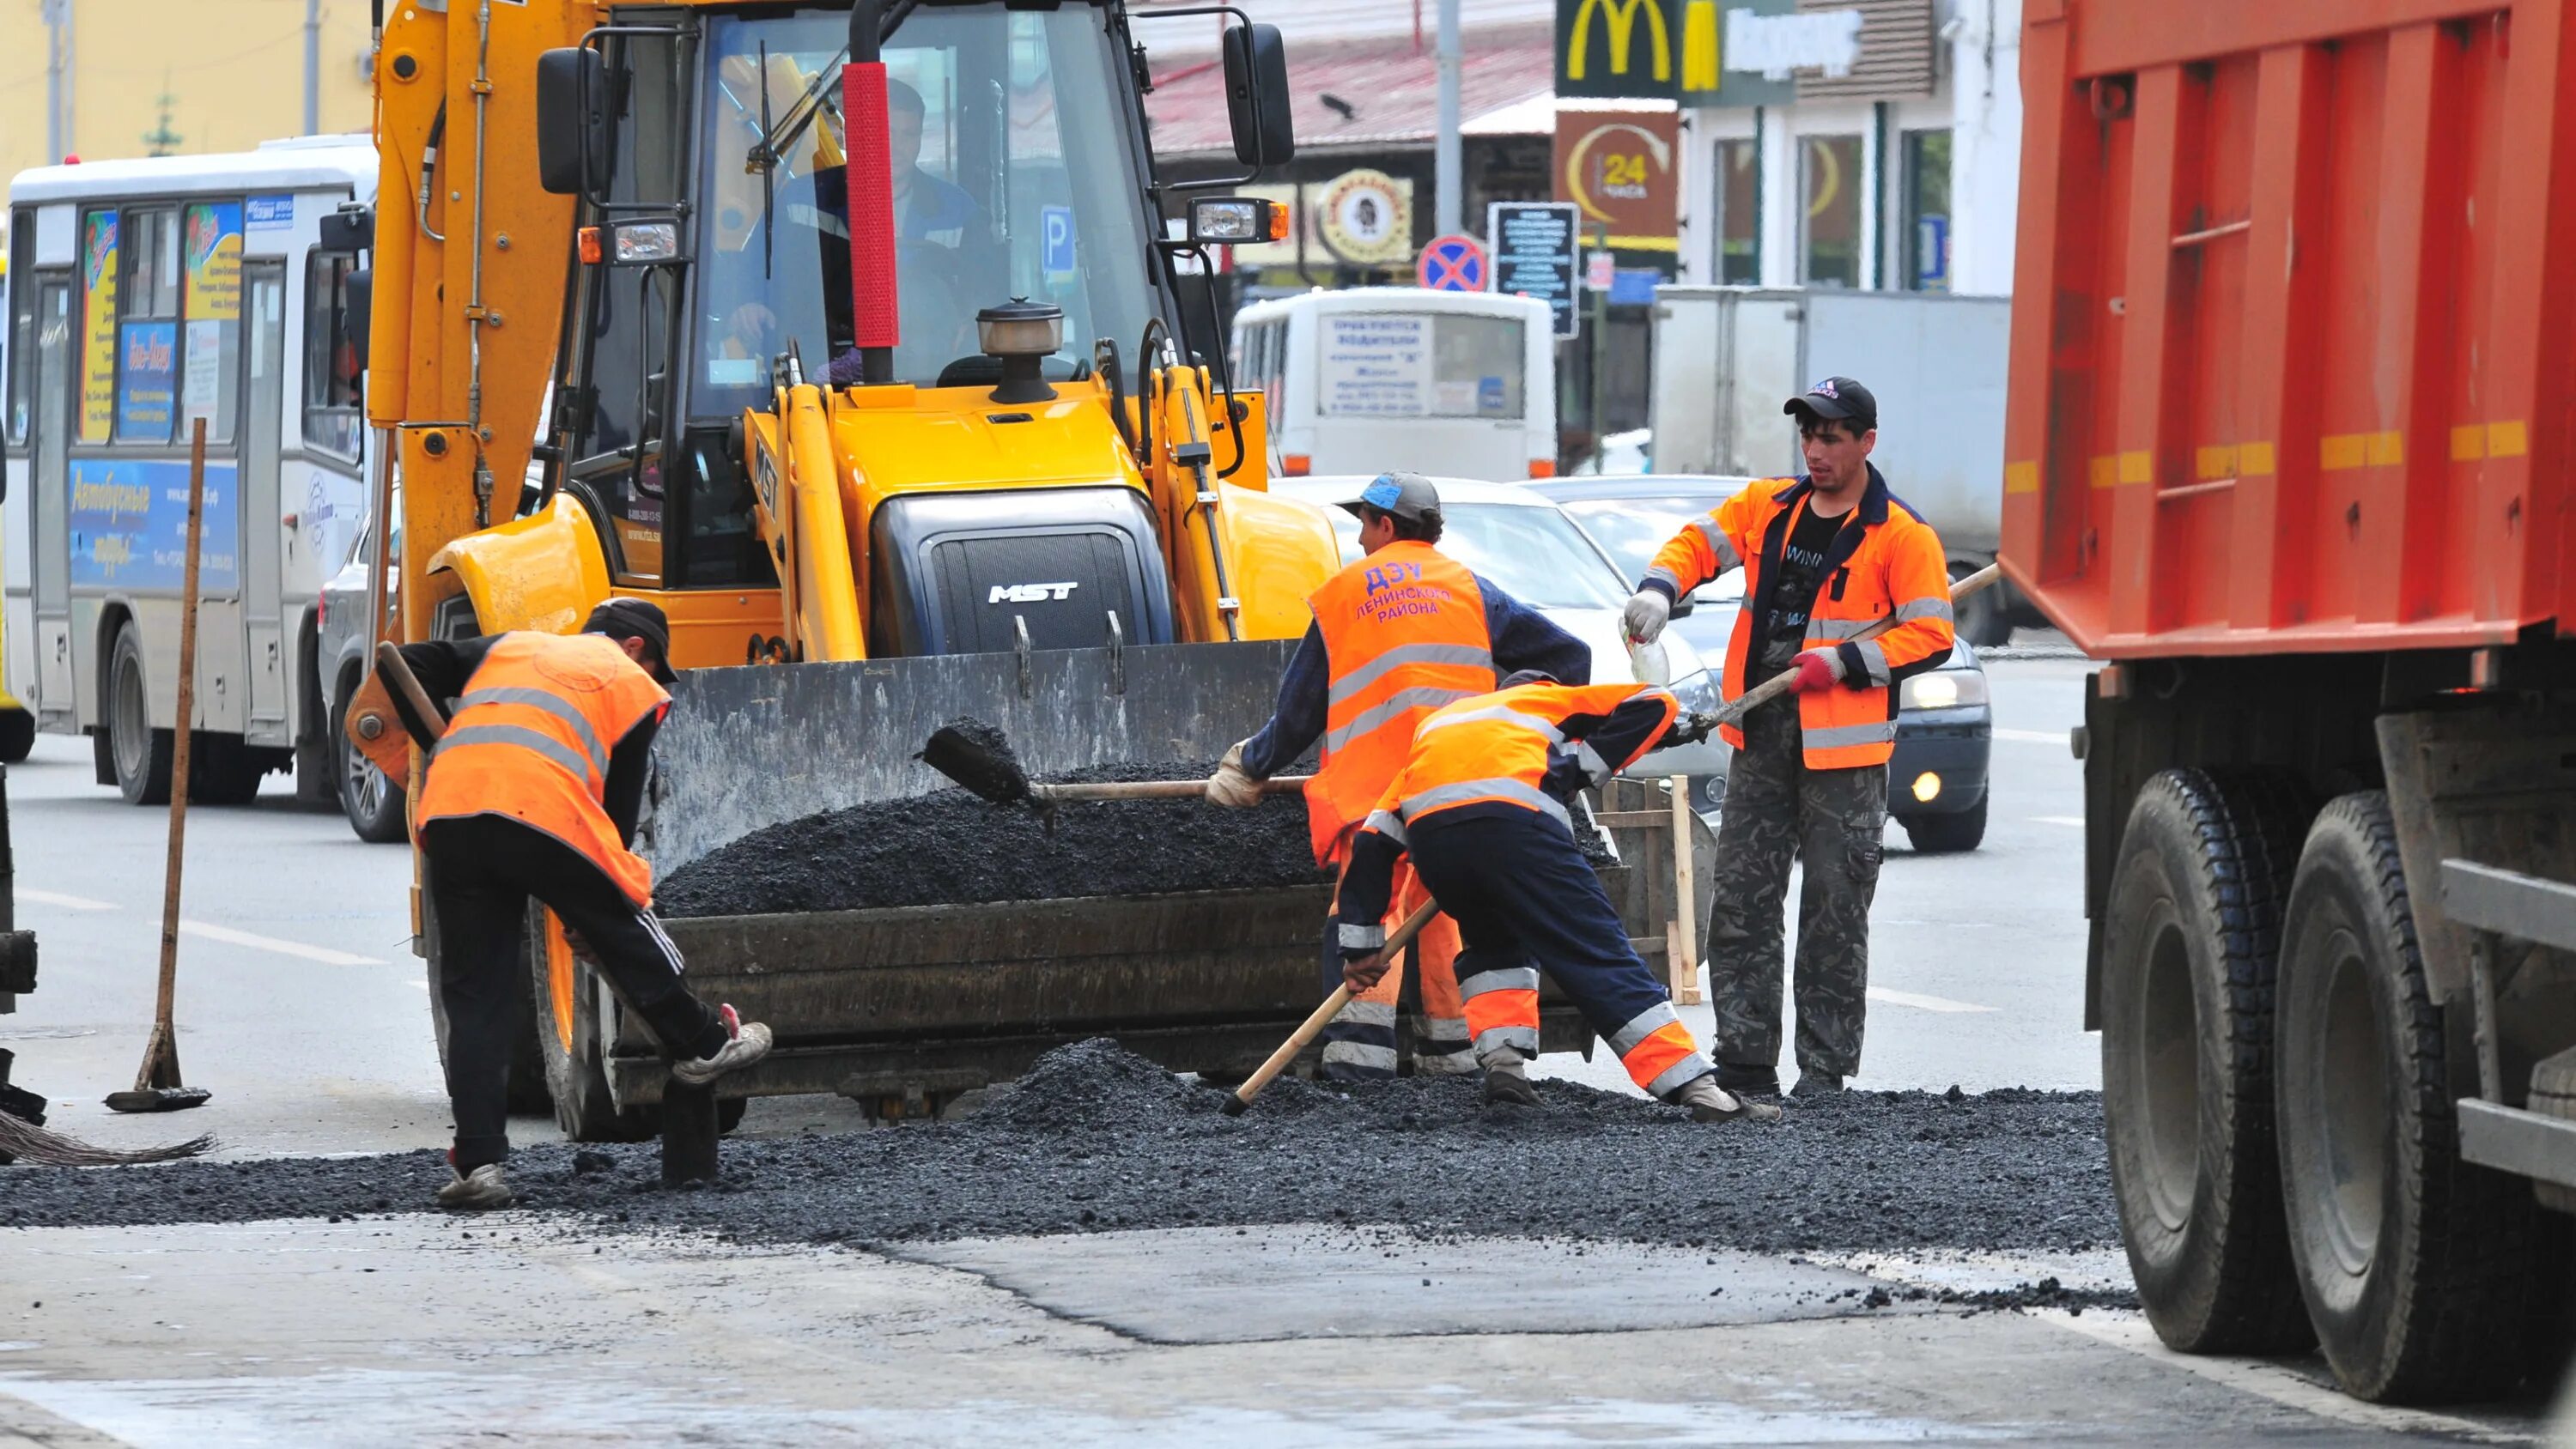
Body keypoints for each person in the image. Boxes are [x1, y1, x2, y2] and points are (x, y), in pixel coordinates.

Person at [355, 599, 774, 1209]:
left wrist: (443, 743)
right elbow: (615, 825)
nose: (655, 678)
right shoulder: (630, 682)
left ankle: (478, 1165)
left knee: (475, 997)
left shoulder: (511, 648)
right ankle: (706, 1039)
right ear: (636, 649)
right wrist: (591, 912)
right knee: (626, 911)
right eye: (657, 664)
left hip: (452, 813)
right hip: (540, 811)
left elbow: (405, 665)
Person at [1621, 377, 1955, 1097]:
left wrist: (1846, 661)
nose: (1816, 449)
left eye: (1831, 436)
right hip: (1762, 733)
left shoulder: (1900, 534)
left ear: (1866, 442)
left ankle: (1824, 1073)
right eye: (1808, 435)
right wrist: (1658, 588)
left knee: (1835, 912)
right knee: (1742, 902)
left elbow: (1930, 635)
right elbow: (1694, 546)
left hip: (1845, 753)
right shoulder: (1768, 508)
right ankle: (1744, 1061)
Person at [1206, 472, 1590, 1096]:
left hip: (1378, 795)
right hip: (1461, 791)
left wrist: (1249, 765)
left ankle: (1361, 1072)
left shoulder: (1343, 595)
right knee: (1449, 916)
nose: (1359, 538)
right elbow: (1570, 658)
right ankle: (1455, 1060)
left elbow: (1300, 714)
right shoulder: (1471, 589)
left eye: (1363, 524)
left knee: (1369, 917)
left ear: (1387, 525)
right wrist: (1521, 715)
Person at [1334, 671, 1777, 1123]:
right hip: (1518, 830)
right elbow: (1655, 701)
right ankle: (1698, 1089)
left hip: (1438, 847)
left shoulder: (1445, 726)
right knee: (1595, 953)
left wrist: (1361, 949)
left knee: (1492, 947)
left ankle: (1505, 1071)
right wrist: (1578, 769)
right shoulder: (1548, 701)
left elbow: (1374, 842)